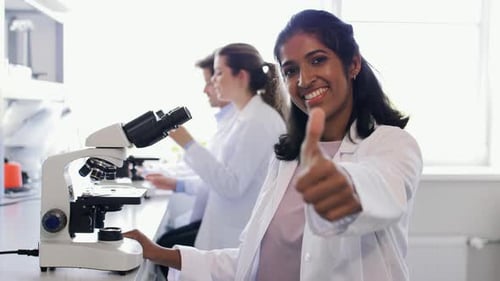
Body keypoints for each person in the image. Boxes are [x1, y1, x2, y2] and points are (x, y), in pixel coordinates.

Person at [124, 9, 423, 281]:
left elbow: (383, 187)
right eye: (291, 70)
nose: (304, 79)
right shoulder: (287, 158)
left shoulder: (392, 144)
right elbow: (254, 259)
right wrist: (162, 254)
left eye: (318, 60)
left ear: (353, 64)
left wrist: (345, 186)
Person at [145, 42, 287, 254]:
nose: (213, 81)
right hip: (224, 228)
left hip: (235, 233)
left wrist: (189, 144)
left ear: (242, 76)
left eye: (219, 73)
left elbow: (231, 185)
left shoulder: (258, 121)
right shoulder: (244, 117)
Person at [143, 52, 238, 277]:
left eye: (210, 82)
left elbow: (222, 180)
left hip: (227, 229)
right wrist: (172, 179)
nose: (206, 90)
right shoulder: (228, 122)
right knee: (166, 242)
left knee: (165, 245)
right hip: (214, 219)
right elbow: (209, 172)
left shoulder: (243, 124)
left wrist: (187, 146)